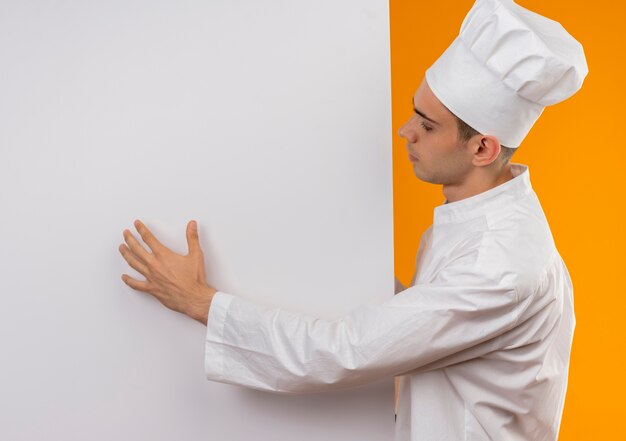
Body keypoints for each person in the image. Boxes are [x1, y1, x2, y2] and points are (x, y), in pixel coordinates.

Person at [118, 0, 588, 439]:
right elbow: (437, 318)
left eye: (427, 125)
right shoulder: (476, 221)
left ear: (482, 148)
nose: (405, 132)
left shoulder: (501, 263)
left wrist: (198, 301)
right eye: (414, 113)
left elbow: (346, 352)